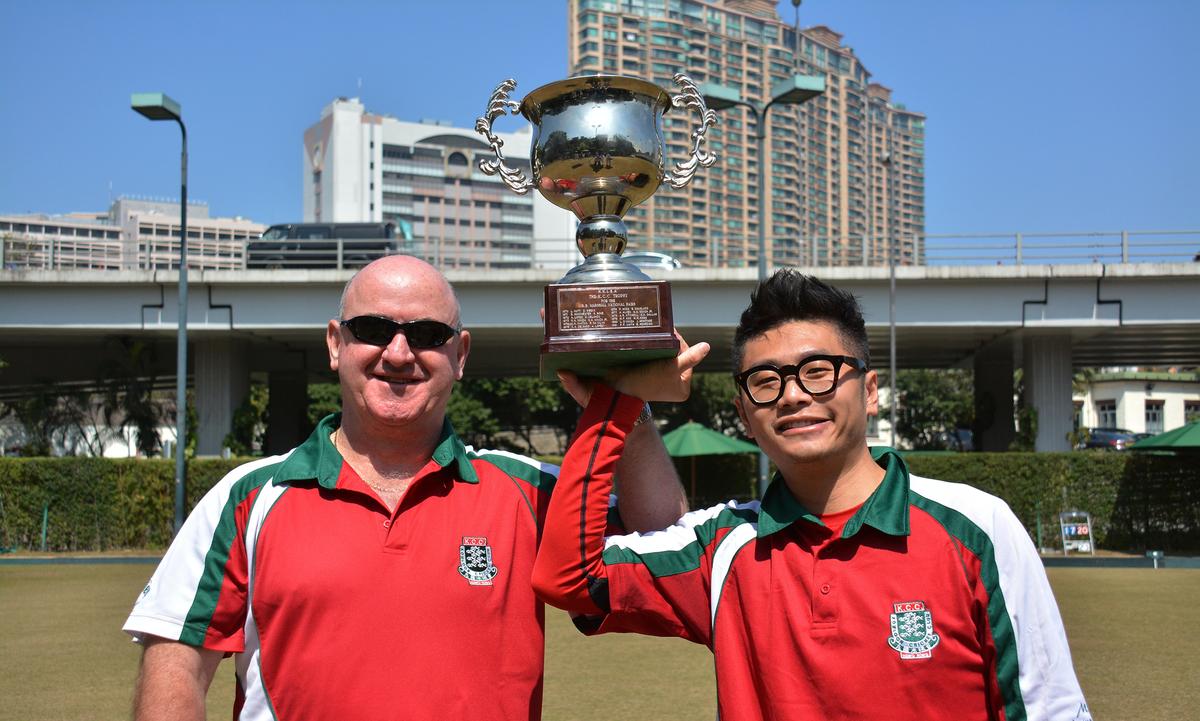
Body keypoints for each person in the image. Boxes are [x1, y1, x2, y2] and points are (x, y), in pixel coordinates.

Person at [123, 255, 691, 721]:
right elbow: (175, 667)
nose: (398, 354)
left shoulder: (525, 492)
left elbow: (662, 538)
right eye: (372, 330)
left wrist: (624, 401)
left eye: (426, 334)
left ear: (460, 355)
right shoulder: (246, 498)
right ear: (334, 344)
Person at [533, 269, 1092, 721]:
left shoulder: (976, 525)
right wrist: (618, 403)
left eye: (819, 371)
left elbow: (1050, 708)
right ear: (744, 416)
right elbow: (570, 578)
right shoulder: (723, 545)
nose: (794, 396)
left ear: (870, 391)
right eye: (767, 381)